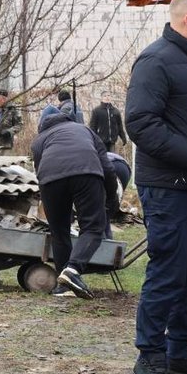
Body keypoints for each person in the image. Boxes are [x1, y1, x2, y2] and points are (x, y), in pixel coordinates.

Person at [124, 0, 187, 374]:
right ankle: (150, 356)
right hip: (170, 187)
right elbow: (140, 123)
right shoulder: (156, 61)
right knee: (169, 272)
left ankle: (181, 350)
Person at [31, 105, 118, 299]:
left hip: (50, 180)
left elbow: (40, 171)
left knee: (59, 231)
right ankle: (72, 270)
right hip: (86, 173)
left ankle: (64, 286)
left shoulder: (39, 140)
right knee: (94, 227)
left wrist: (59, 206)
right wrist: (112, 198)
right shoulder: (84, 130)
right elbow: (107, 167)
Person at [103, 151, 132, 238]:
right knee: (104, 214)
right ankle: (107, 245)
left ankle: (104, 248)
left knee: (99, 216)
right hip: (123, 167)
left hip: (107, 168)